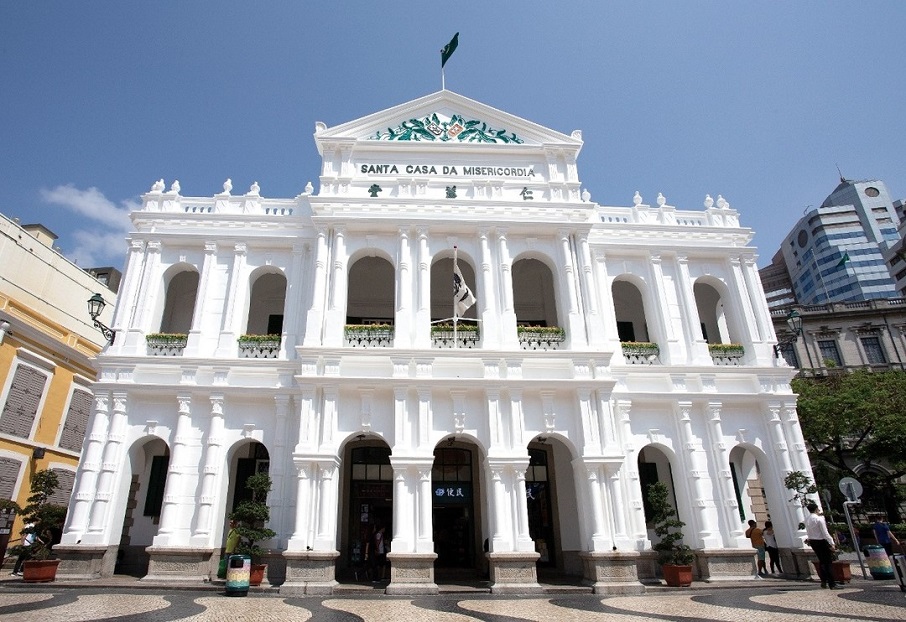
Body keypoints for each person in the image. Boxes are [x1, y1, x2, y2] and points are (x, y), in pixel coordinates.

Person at [805, 502, 839, 589]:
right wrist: (832, 543)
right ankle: (832, 583)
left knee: (821, 561)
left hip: (813, 542)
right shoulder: (819, 519)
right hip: (821, 541)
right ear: (816, 509)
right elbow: (825, 533)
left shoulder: (807, 519)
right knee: (828, 562)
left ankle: (823, 581)